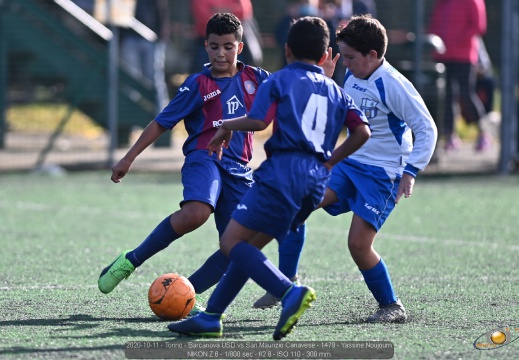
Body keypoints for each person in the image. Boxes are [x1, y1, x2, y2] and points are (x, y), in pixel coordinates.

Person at [167, 16, 371, 339]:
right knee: (245, 250)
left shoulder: (278, 81)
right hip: (315, 183)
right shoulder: (336, 91)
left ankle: (289, 291)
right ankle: (211, 317)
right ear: (324, 56)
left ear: (287, 50)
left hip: (282, 175)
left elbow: (259, 122)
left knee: (231, 241)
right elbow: (362, 132)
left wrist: (226, 125)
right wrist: (331, 161)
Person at [252, 14, 438, 323]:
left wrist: (411, 171)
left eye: (350, 57)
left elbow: (427, 128)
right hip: (351, 163)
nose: (345, 63)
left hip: (383, 174)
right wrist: (324, 80)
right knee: (296, 204)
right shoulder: (352, 76)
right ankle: (285, 284)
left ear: (373, 55)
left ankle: (391, 306)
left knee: (358, 245)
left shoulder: (393, 85)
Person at [97, 13, 271, 306]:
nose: (221, 53)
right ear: (206, 46)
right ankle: (131, 260)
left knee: (239, 246)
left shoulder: (257, 78)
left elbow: (292, 91)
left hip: (241, 171)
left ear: (240, 47)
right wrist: (128, 158)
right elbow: (161, 123)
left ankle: (185, 295)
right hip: (205, 160)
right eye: (214, 46)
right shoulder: (197, 84)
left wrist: (323, 76)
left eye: (228, 46)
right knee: (196, 213)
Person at [428, 0, 489, 152]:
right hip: (443, 56)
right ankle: (450, 136)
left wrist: (455, 40)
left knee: (466, 94)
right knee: (447, 96)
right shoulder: (442, 2)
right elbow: (435, 24)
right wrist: (438, 42)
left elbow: (478, 26)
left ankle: (483, 134)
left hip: (464, 56)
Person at [119, 0, 170, 113]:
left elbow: (161, 10)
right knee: (130, 78)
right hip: (129, 37)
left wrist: (162, 36)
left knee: (154, 77)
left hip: (151, 38)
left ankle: (162, 117)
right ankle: (131, 115)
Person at [190, 0, 263, 73]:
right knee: (202, 78)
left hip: (233, 43)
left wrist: (216, 11)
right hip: (206, 44)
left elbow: (243, 13)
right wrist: (229, 12)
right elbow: (203, 17)